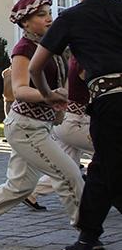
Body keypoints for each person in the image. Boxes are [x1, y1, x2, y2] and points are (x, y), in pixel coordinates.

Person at [0, 0, 84, 245]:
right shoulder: (23, 49)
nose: (49, 17)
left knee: (21, 186)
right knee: (69, 173)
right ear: (25, 23)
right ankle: (87, 231)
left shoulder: (53, 46)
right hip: (26, 126)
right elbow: (20, 89)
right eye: (41, 14)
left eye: (49, 12)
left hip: (38, 126)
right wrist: (50, 96)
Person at [28, 0, 122, 250]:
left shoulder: (72, 17)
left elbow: (36, 66)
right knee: (111, 169)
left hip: (109, 101)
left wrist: (48, 94)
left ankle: (86, 240)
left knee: (102, 169)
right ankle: (87, 237)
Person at [28, 54, 94, 212]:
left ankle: (31, 193)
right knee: (110, 151)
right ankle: (98, 192)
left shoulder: (74, 58)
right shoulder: (83, 60)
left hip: (66, 121)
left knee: (67, 167)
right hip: (74, 122)